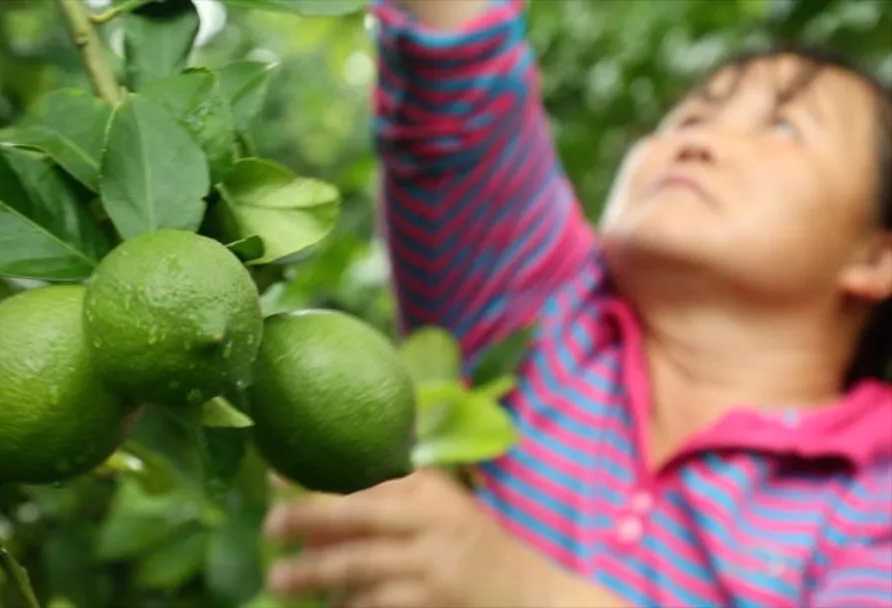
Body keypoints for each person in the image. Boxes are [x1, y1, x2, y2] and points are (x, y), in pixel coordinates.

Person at [262, 0, 892, 606]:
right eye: (689, 117)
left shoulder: (875, 493)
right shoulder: (540, 316)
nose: (696, 142)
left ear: (875, 257)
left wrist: (514, 590)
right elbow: (459, 80)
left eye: (783, 127)